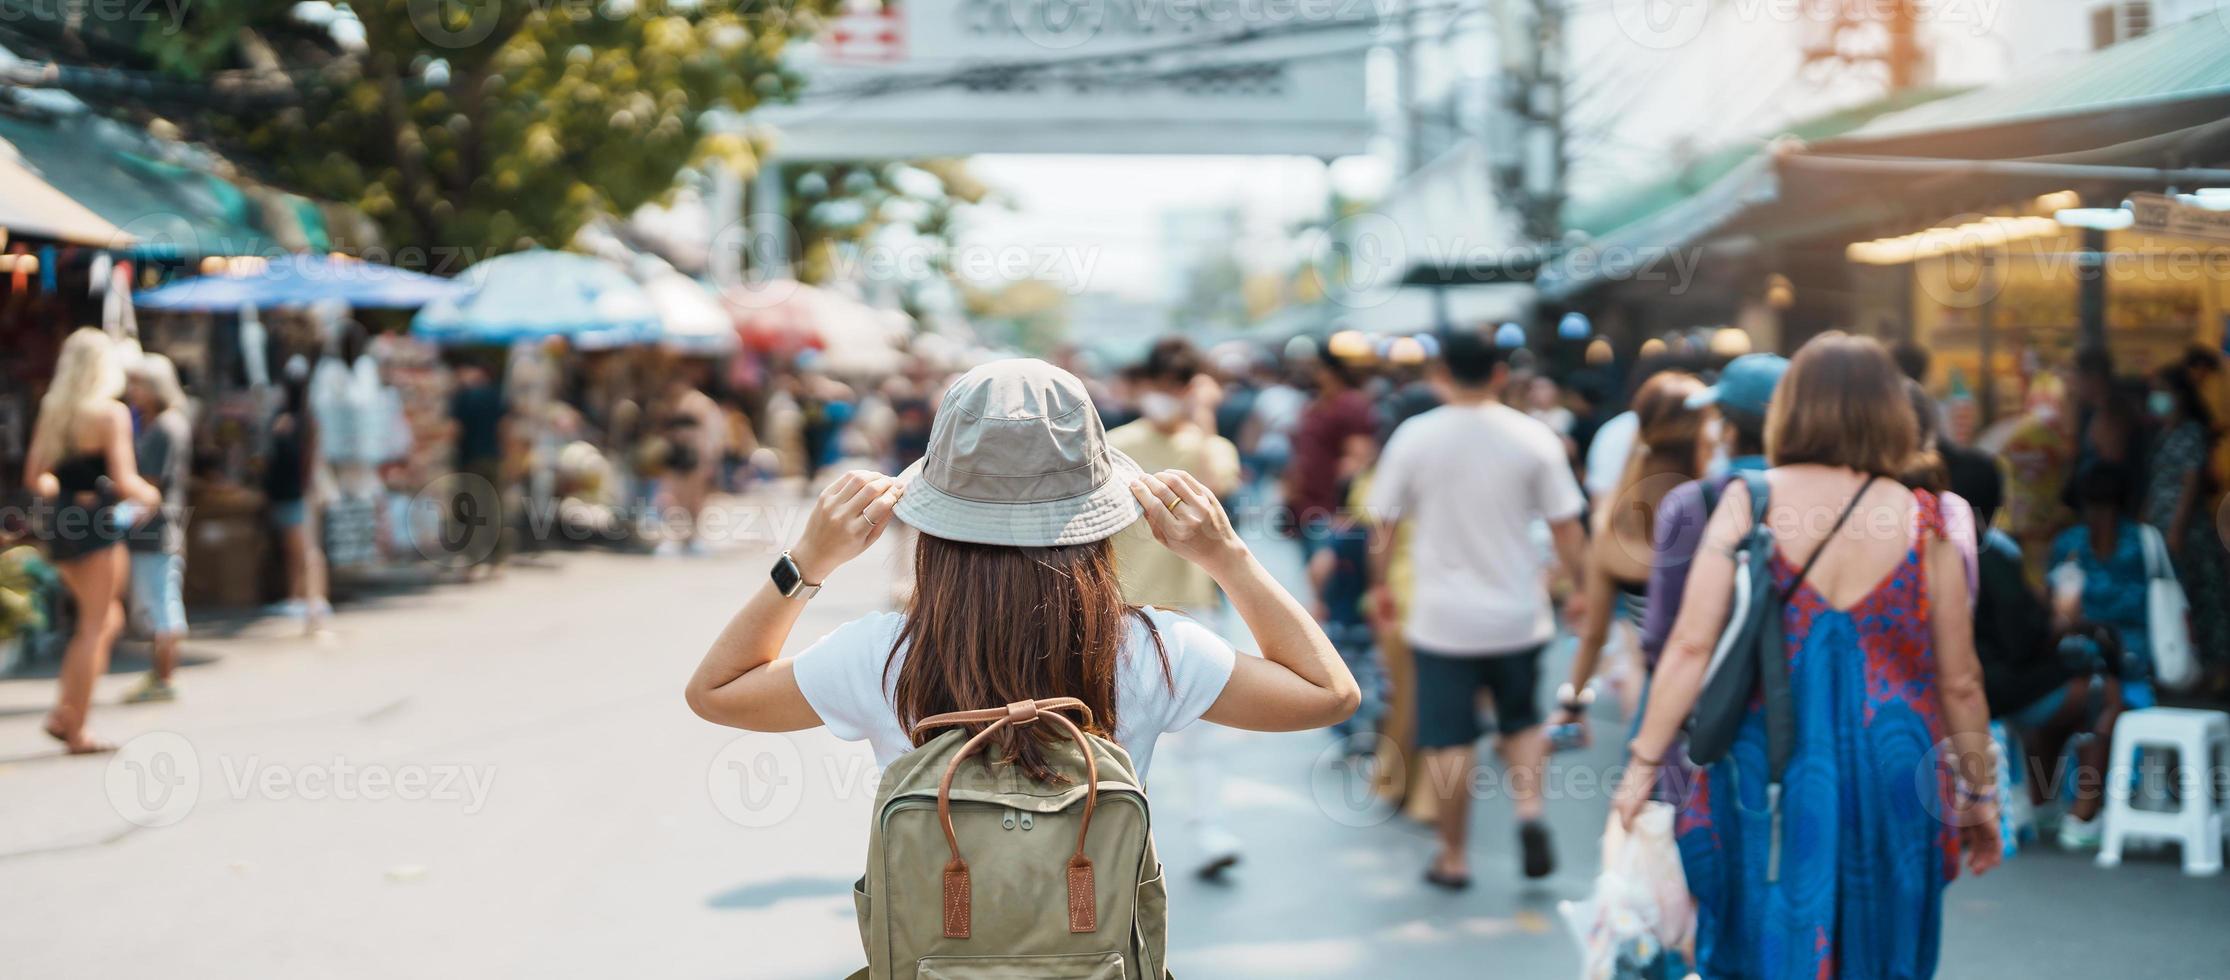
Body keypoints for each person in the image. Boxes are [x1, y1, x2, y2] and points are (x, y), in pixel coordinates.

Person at [685, 357, 1357, 817]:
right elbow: (1328, 695)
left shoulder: (883, 653)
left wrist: (806, 561)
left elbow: (715, 693)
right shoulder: (1153, 649)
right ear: (1095, 516)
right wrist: (1229, 557)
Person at [1614, 332, 2001, 980]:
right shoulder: (1926, 519)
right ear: (1889, 412)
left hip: (1767, 765)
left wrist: (1642, 764)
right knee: (1882, 949)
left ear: (1791, 409)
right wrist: (1979, 792)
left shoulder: (1749, 500)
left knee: (1765, 937)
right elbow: (1960, 681)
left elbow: (1688, 645)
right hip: (1898, 767)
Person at [1366, 326, 1589, 888]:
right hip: (1519, 613)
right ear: (1499, 374)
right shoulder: (1534, 437)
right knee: (1521, 721)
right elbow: (1567, 528)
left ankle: (1454, 855)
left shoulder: (1415, 437)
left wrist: (1381, 589)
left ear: (1440, 374)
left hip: (1443, 621)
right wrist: (1581, 588)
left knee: (1449, 739)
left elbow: (1382, 527)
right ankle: (1531, 813)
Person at [1104, 338, 1249, 878]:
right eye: (1161, 385)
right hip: (1121, 604)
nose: (1167, 396)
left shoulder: (1206, 444)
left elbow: (1220, 480)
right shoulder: (1117, 445)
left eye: (1179, 387)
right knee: (1115, 733)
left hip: (1191, 605)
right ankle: (1121, 843)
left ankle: (1210, 831)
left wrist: (1204, 415)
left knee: (1203, 732)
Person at [23, 328, 161, 753]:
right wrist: (151, 495)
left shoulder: (55, 410)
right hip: (96, 524)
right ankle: (76, 726)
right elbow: (125, 479)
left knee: (103, 621)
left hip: (63, 523)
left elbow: (36, 477)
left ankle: (65, 712)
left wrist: (65, 497)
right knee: (95, 625)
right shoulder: (109, 414)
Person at [1554, 371, 1705, 741]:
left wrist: (1572, 704)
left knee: (1638, 663)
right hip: (1717, 708)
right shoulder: (1724, 510)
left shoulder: (1616, 528)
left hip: (1655, 722)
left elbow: (1592, 634)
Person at [1639, 353, 1788, 672]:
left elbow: (1662, 625)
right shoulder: (1817, 498)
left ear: (1729, 430)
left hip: (1704, 685)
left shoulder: (1690, 501)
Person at [2049, 463, 2161, 711]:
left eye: (2104, 507)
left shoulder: (2142, 543)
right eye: (2092, 507)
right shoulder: (2070, 544)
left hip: (2135, 654)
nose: (2097, 515)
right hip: (2084, 649)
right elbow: (2057, 609)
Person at [2142, 362, 2227, 680]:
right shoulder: (2164, 433)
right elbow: (2158, 481)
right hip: (2164, 528)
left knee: (2203, 600)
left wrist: (2176, 530)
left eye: (2162, 391)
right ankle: (2185, 669)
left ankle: (2217, 671)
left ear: (2179, 395)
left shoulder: (2191, 432)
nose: (2156, 398)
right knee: (2179, 600)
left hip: (2188, 532)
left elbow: (2190, 483)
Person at [123, 352, 192, 703]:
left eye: (138, 384)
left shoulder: (165, 426)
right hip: (157, 522)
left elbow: (150, 481)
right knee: (158, 601)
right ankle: (160, 675)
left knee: (161, 603)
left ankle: (165, 676)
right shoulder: (162, 423)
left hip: (156, 524)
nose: (132, 391)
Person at [1284, 348, 1377, 545]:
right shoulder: (1314, 405)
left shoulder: (1351, 404)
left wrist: (1346, 510)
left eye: (1315, 367)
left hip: (1331, 513)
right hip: (1307, 510)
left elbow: (1359, 459)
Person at [266, 359, 330, 634]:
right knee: (302, 549)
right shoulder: (305, 418)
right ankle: (306, 598)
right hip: (300, 489)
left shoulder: (295, 421)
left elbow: (301, 458)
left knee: (303, 550)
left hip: (299, 491)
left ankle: (310, 598)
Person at [448, 362, 509, 576]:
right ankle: (497, 560)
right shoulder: (495, 394)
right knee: (493, 509)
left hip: (470, 459)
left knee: (470, 510)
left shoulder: (462, 396)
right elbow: (505, 427)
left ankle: (472, 561)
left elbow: (456, 429)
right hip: (493, 457)